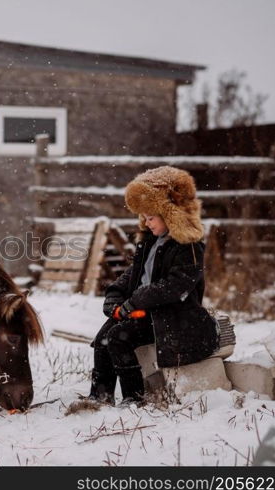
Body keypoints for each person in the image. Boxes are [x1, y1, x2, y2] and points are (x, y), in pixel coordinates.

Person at [88, 166, 218, 406]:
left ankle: (134, 397)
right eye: (144, 218)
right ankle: (101, 395)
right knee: (103, 338)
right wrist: (115, 295)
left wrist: (137, 300)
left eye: (151, 217)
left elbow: (175, 285)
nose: (147, 224)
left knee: (118, 336)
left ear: (170, 214)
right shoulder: (150, 242)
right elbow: (134, 274)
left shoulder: (187, 246)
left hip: (171, 316)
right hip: (144, 312)